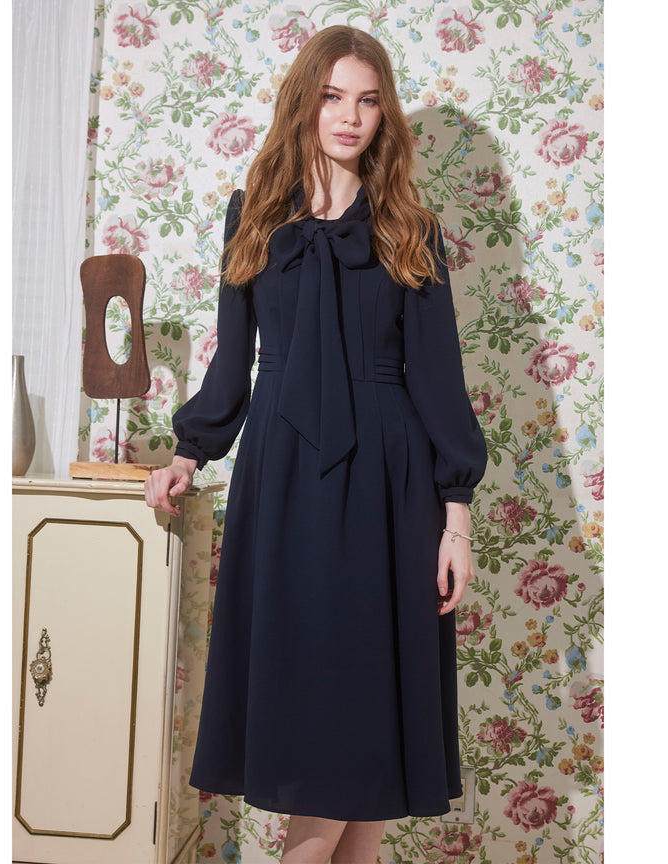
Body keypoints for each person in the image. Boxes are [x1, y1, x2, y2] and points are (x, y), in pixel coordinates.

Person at [145, 24, 487, 864]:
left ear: (383, 115)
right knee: (317, 719)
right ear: (305, 102)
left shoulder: (410, 225)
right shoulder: (254, 215)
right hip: (286, 477)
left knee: (367, 738)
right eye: (333, 96)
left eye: (368, 101)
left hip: (389, 483)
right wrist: (191, 450)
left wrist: (456, 521)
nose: (350, 116)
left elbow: (438, 380)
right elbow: (235, 358)